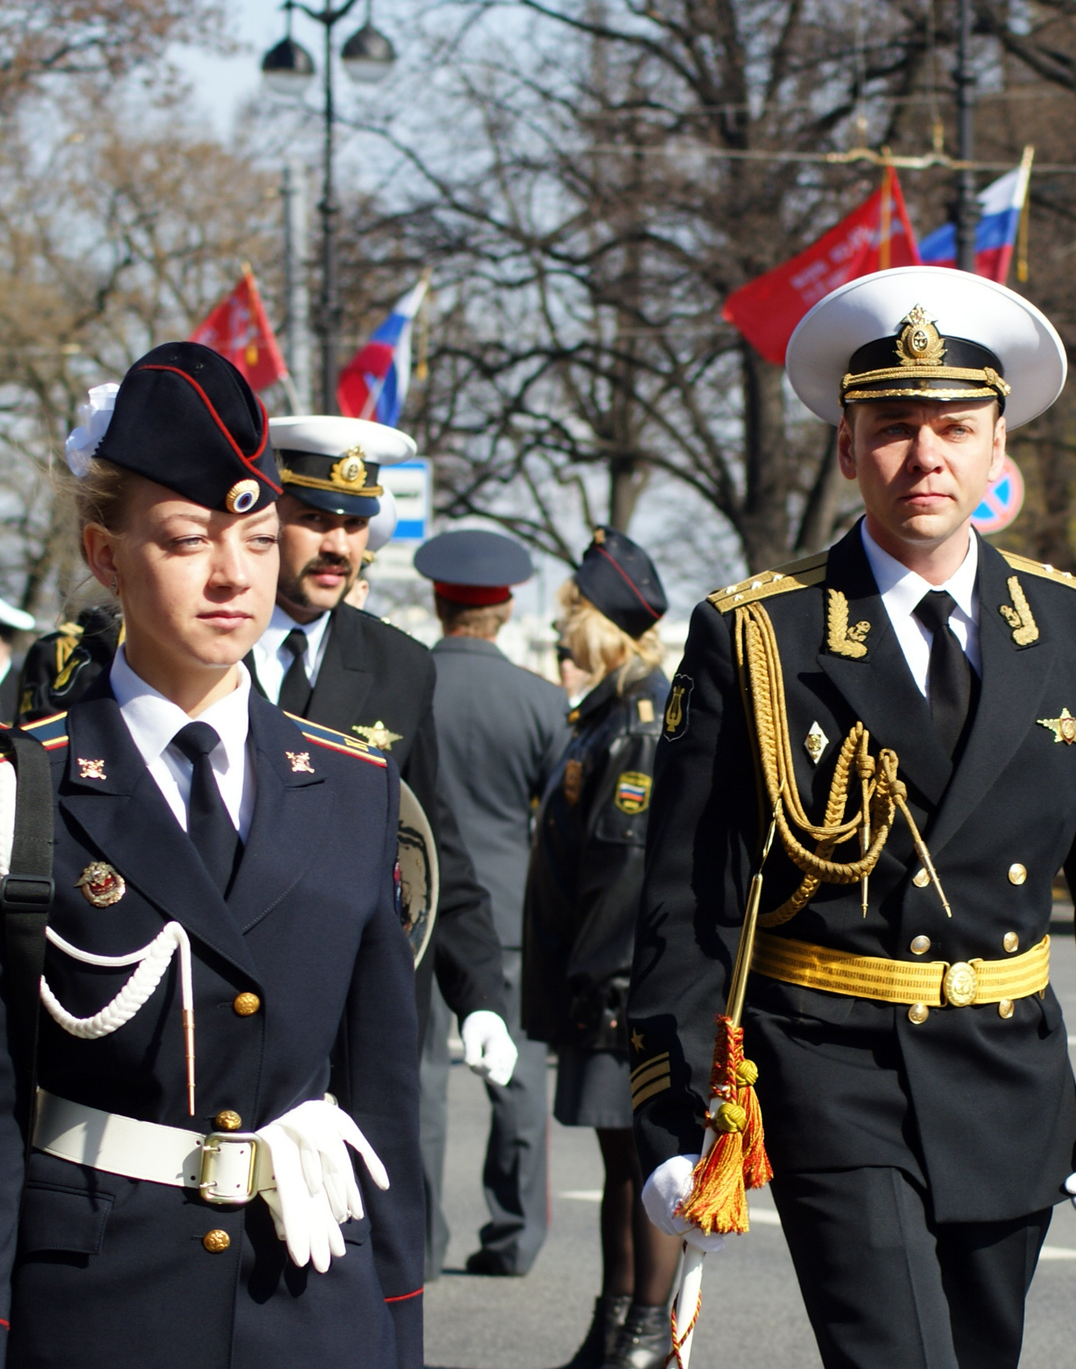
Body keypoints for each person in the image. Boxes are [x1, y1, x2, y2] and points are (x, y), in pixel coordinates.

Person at [629, 266, 1076, 1369]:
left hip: (1008, 1078)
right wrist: (667, 1111)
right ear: (845, 450)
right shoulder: (758, 635)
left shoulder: (1075, 631)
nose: (922, 456)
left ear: (996, 453)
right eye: (890, 427)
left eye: (952, 427)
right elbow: (688, 897)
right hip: (831, 1073)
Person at [0, 342, 423, 1367]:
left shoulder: (353, 788)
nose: (231, 574)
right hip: (98, 1302)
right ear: (104, 555)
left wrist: (398, 1331)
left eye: (257, 540)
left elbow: (383, 1107)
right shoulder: (12, 788)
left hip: (309, 1301)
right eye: (186, 540)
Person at [252, 414, 517, 1278]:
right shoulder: (206, 640)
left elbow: (431, 841)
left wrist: (479, 993)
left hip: (354, 1012)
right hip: (228, 1002)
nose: (338, 545)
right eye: (316, 517)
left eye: (355, 524)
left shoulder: (400, 665)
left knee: (360, 1264)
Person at [523, 529, 675, 1368]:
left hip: (618, 983)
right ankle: (615, 1321)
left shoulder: (638, 719)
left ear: (605, 623)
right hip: (596, 976)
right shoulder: (608, 709)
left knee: (642, 1161)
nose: (562, 635)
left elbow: (623, 869)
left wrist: (605, 982)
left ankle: (645, 1331)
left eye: (573, 616)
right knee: (621, 1163)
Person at [414, 529, 568, 1280]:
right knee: (517, 1082)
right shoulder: (543, 701)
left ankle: (417, 1238)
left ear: (440, 604)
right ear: (505, 612)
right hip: (507, 914)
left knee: (417, 1081)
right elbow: (557, 824)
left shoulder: (406, 686)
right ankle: (513, 1235)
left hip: (416, 904)